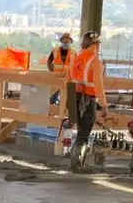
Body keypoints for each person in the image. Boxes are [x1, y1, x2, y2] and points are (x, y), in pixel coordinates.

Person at [65, 28, 106, 172]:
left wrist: (70, 104)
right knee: (84, 131)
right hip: (88, 98)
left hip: (74, 96)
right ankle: (76, 161)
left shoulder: (75, 58)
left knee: (78, 128)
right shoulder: (95, 61)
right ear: (94, 45)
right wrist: (104, 105)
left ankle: (76, 159)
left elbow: (68, 79)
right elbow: (98, 84)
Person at [45, 30, 73, 109]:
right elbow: (49, 61)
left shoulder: (74, 53)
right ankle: (50, 115)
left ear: (70, 42)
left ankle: (70, 119)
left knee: (69, 100)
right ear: (61, 41)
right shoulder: (55, 51)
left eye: (67, 42)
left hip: (68, 79)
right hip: (56, 78)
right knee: (53, 97)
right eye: (64, 42)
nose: (66, 43)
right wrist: (51, 71)